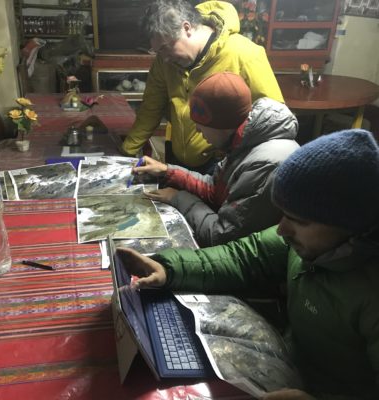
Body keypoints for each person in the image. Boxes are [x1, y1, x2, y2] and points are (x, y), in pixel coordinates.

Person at [118, 129, 379, 399]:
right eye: (283, 215)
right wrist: (170, 268)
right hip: (289, 371)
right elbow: (243, 257)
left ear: (349, 224)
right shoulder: (305, 245)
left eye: (300, 221)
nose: (282, 230)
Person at [134, 72, 299, 247]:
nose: (198, 130)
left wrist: (178, 198)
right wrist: (168, 171)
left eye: (201, 125)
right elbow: (216, 191)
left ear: (222, 125)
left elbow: (221, 236)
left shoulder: (264, 165)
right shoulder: (245, 142)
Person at [120, 0, 284, 172]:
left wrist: (233, 151)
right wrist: (126, 153)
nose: (165, 58)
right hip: (177, 157)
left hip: (223, 162)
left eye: (165, 48)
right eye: (158, 52)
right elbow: (150, 109)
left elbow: (272, 118)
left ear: (186, 28)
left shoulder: (243, 53)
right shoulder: (164, 61)